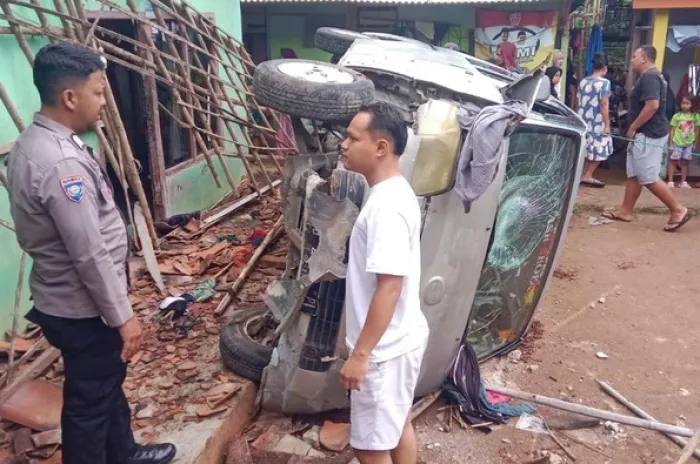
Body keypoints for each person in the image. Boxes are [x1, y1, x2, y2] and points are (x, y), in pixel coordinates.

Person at [6, 43, 176, 464]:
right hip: (84, 309)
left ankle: (125, 453)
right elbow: (89, 254)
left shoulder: (36, 142)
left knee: (102, 384)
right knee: (88, 406)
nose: (103, 103)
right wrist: (123, 317)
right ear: (70, 97)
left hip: (64, 299)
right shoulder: (62, 162)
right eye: (99, 93)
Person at [339, 102, 429, 464]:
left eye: (352, 137)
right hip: (399, 340)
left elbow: (389, 286)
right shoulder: (393, 192)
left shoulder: (386, 208)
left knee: (371, 445)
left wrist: (361, 356)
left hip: (383, 352)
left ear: (381, 147)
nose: (343, 144)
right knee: (396, 424)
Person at [603, 45, 692, 232]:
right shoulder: (649, 76)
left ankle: (678, 210)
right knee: (634, 174)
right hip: (645, 133)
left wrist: (633, 127)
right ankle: (625, 211)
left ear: (645, 58)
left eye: (634, 56)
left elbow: (652, 105)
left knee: (648, 176)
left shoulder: (650, 77)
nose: (631, 59)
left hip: (648, 133)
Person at [578, 52, 613, 187]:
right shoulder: (604, 83)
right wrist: (607, 124)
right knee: (600, 149)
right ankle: (588, 175)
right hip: (597, 121)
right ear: (605, 68)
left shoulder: (583, 81)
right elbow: (604, 104)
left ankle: (583, 174)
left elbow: (579, 102)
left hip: (583, 120)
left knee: (586, 149)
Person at [667, 95, 700, 188]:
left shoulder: (696, 116)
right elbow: (672, 130)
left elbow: (697, 130)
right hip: (677, 142)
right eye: (683, 103)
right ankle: (670, 181)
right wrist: (670, 142)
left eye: (687, 103)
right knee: (673, 161)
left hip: (688, 144)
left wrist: (695, 143)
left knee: (685, 162)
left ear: (692, 104)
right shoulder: (677, 116)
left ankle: (683, 182)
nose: (684, 105)